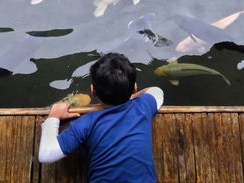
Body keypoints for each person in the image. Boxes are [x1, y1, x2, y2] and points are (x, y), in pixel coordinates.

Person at [38, 53, 164, 182]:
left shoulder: (87, 123)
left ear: (93, 90)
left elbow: (45, 154)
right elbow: (157, 91)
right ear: (135, 87)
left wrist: (54, 116)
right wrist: (132, 95)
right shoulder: (143, 107)